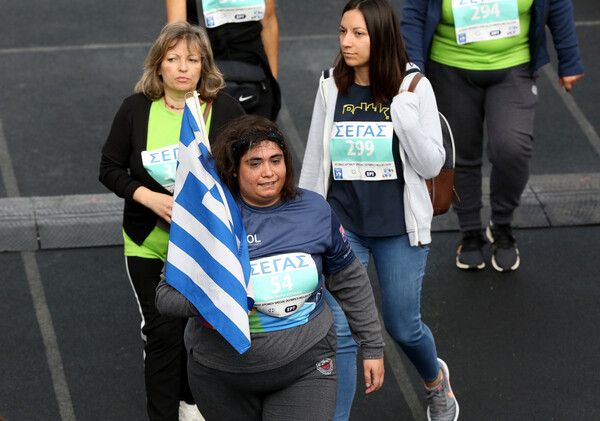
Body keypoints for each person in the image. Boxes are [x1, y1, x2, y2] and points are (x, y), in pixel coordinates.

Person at [155, 114, 385, 421]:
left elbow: (350, 280)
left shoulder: (315, 210)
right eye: (254, 163)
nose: (268, 172)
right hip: (221, 376)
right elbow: (165, 296)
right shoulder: (209, 220)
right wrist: (221, 298)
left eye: (276, 160)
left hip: (306, 364)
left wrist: (372, 345)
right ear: (234, 170)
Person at [298, 0, 459, 420]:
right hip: (343, 228)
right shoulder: (331, 85)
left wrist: (402, 115)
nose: (346, 42)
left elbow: (430, 165)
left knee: (402, 327)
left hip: (398, 231)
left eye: (358, 34)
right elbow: (316, 158)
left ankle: (435, 384)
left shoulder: (414, 89)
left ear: (381, 36)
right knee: (342, 332)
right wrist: (302, 220)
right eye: (342, 32)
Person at [98, 21, 244, 421]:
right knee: (163, 333)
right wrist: (149, 198)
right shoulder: (135, 110)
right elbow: (109, 168)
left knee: (201, 332)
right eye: (173, 59)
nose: (183, 67)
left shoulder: (226, 110)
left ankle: (192, 403)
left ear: (204, 66)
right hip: (149, 241)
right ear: (158, 66)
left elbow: (247, 170)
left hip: (206, 246)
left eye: (192, 60)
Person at [401, 0, 584, 272]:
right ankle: (470, 231)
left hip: (514, 65)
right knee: (460, 153)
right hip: (449, 67)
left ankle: (501, 224)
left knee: (513, 149)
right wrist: (414, 73)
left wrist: (569, 58)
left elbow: (557, 3)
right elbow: (414, 12)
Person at [165, 0, 281, 121]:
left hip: (255, 75)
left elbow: (268, 20)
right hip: (206, 75)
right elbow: (177, 32)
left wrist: (272, 80)